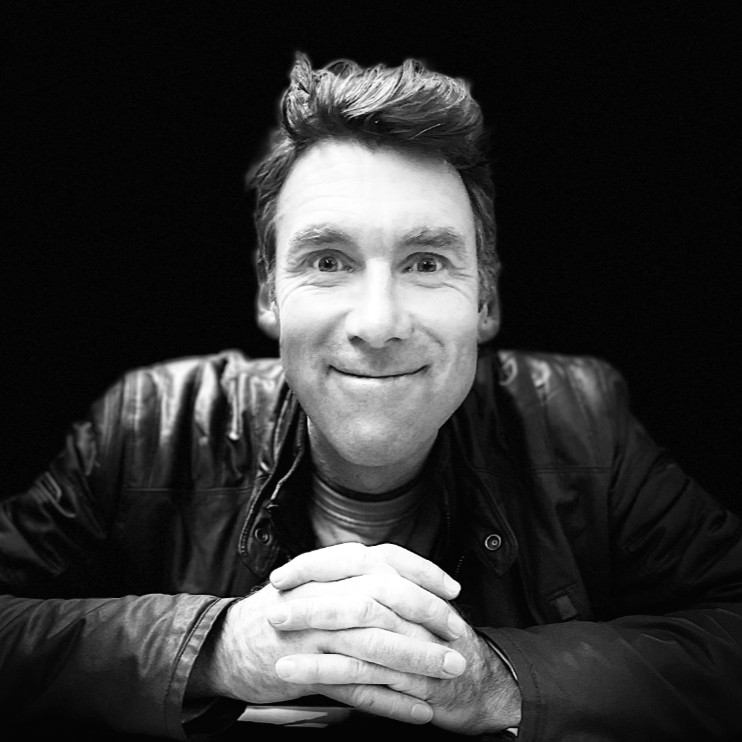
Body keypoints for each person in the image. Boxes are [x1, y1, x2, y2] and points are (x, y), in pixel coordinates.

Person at [1, 52, 741, 742]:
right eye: (329, 261)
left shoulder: (583, 422)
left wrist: (496, 680)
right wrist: (218, 648)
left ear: (484, 298)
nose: (379, 323)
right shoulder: (149, 424)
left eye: (426, 262)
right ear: (269, 293)